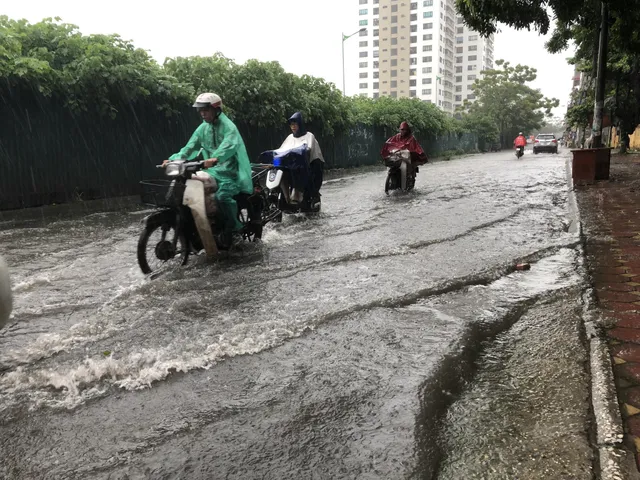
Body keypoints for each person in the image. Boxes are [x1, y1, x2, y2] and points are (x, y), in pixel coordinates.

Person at [163, 93, 253, 242]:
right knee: (190, 187)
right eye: (200, 110)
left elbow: (229, 145)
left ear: (216, 109)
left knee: (222, 197)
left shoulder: (229, 127)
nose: (202, 114)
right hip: (212, 170)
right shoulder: (202, 128)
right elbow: (190, 147)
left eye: (206, 110)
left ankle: (234, 227)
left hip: (232, 172)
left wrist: (216, 158)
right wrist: (174, 159)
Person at [276, 112, 324, 208]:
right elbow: (280, 151)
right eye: (291, 124)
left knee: (304, 175)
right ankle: (285, 199)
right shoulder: (290, 138)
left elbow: (308, 149)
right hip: (293, 166)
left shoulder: (309, 136)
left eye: (295, 124)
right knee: (279, 171)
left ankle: (308, 197)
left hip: (310, 165)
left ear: (300, 124)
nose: (293, 126)